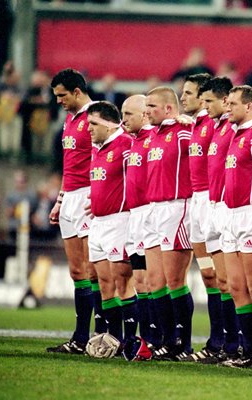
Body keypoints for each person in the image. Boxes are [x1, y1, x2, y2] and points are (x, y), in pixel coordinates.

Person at [47, 68, 104, 354]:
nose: (58, 101)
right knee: (77, 270)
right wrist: (59, 199)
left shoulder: (98, 117)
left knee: (95, 270)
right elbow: (70, 165)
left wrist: (98, 193)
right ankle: (81, 337)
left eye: (62, 95)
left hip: (88, 196)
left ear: (77, 92)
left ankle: (101, 334)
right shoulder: (70, 119)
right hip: (69, 196)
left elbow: (103, 160)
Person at [220, 85, 252, 369]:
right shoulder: (235, 135)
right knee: (236, 287)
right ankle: (246, 349)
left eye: (233, 104)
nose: (227, 108)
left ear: (249, 107)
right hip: (231, 214)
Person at [143, 86, 194, 360]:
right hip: (154, 209)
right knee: (155, 281)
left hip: (177, 206)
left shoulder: (184, 132)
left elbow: (209, 139)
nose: (146, 111)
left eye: (152, 106)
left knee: (175, 279)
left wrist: (193, 120)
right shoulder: (152, 135)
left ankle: (182, 343)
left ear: (168, 109)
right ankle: (165, 338)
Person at [180, 73, 225, 361]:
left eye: (188, 93)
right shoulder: (195, 124)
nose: (182, 98)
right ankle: (216, 341)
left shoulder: (215, 123)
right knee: (208, 276)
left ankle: (226, 341)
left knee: (219, 276)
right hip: (196, 203)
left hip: (212, 201)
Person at [85, 101, 136, 344]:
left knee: (121, 278)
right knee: (103, 281)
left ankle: (129, 339)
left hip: (120, 220)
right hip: (98, 221)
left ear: (108, 124)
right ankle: (112, 338)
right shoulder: (97, 148)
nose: (89, 129)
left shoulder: (126, 144)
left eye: (93, 124)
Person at [199, 76, 240, 363]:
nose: (204, 107)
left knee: (234, 282)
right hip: (212, 208)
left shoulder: (236, 127)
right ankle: (225, 343)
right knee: (221, 280)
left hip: (231, 209)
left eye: (208, 101)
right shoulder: (214, 127)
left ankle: (237, 343)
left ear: (225, 101)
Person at [121, 95, 158, 347]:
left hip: (150, 216)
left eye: (128, 115)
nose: (123, 120)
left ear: (144, 115)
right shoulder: (133, 142)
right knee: (140, 282)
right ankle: (145, 339)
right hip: (134, 217)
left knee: (154, 282)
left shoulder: (153, 140)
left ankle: (161, 337)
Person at [5, 170, 37, 240]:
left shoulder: (31, 196)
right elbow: (8, 213)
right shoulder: (11, 195)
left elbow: (34, 212)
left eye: (21, 182)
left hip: (27, 227)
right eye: (17, 181)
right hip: (14, 227)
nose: (19, 184)